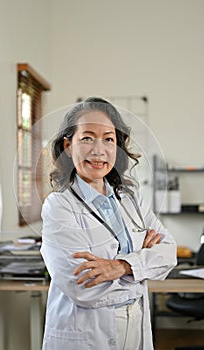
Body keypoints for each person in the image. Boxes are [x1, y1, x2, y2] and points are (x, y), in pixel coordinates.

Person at [41, 97, 177, 350]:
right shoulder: (59, 206)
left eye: (109, 139)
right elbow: (82, 288)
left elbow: (169, 253)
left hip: (136, 327)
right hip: (86, 334)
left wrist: (121, 266)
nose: (98, 150)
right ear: (68, 146)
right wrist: (142, 267)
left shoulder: (131, 200)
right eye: (87, 138)